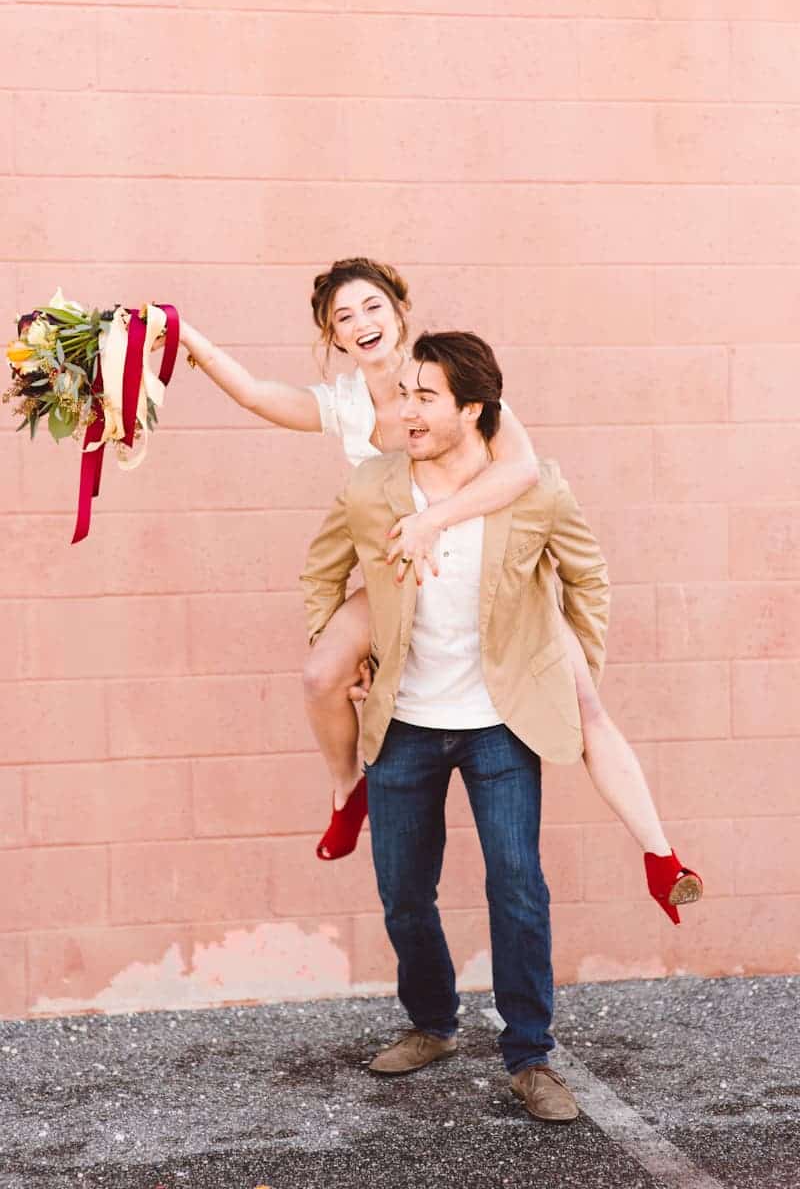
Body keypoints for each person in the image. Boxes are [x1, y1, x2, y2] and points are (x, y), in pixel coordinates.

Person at [177, 258, 702, 922]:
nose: (361, 323)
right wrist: (183, 335)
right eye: (343, 317)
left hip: (485, 571)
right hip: (401, 577)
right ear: (333, 336)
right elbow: (255, 393)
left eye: (372, 307)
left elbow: (522, 471)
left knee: (586, 705)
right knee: (320, 675)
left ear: (400, 311)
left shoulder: (452, 381)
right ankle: (346, 791)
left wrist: (433, 520)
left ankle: (660, 856)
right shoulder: (344, 406)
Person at [301, 330, 613, 1120]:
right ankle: (433, 1022)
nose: (405, 410)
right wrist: (340, 649)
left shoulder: (534, 488)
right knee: (404, 892)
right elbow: (322, 571)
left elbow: (588, 577)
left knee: (517, 886)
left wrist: (577, 673)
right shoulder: (371, 488)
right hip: (403, 722)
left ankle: (531, 1057)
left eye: (424, 397)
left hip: (499, 725)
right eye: (403, 393)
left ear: (472, 409)